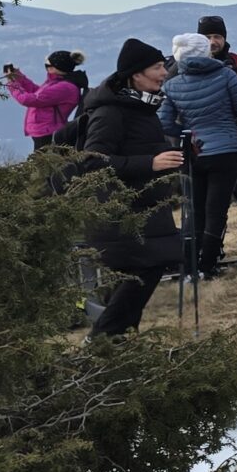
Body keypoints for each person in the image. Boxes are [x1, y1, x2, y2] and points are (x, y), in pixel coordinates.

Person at [72, 38, 189, 335]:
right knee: (142, 272)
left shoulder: (141, 106)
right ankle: (104, 341)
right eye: (158, 67)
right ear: (136, 74)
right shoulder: (111, 112)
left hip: (142, 208)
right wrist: (150, 163)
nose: (164, 72)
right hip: (120, 212)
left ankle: (114, 344)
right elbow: (92, 161)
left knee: (133, 277)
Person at [159, 33, 237, 275]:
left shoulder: (172, 84)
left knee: (195, 209)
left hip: (194, 151)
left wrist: (189, 132)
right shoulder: (225, 74)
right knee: (216, 209)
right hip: (226, 148)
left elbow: (164, 122)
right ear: (205, 51)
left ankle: (189, 264)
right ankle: (207, 265)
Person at [5, 49, 86, 150]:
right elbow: (37, 92)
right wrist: (19, 78)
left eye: (48, 65)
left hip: (48, 132)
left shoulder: (64, 87)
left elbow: (30, 99)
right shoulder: (58, 82)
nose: (46, 68)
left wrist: (12, 84)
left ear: (58, 67)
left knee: (43, 163)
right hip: (45, 130)